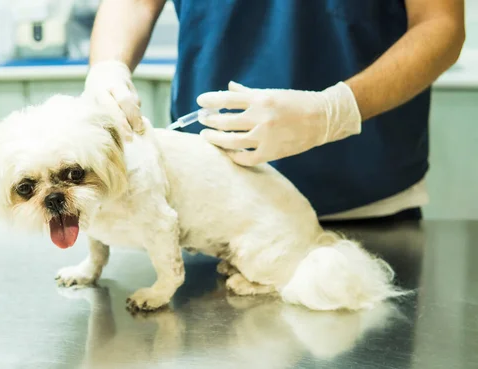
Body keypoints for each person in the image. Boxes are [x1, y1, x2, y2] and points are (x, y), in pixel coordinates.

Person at [82, 0, 465, 222]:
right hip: (212, 197)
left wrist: (335, 111)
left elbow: (440, 23)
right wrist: (108, 67)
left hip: (364, 198)